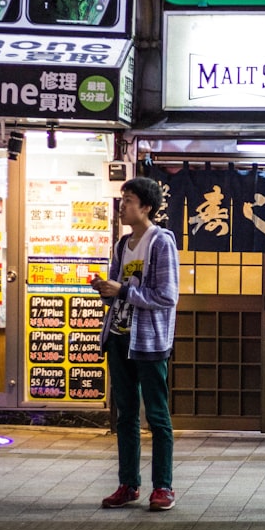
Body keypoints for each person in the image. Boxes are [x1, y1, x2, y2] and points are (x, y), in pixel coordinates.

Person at [92, 177, 180, 511]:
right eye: (121, 199)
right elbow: (118, 290)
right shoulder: (122, 244)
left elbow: (167, 296)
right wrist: (106, 290)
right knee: (125, 414)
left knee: (156, 415)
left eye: (128, 200)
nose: (121, 206)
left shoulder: (160, 243)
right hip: (118, 337)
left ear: (146, 207)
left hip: (149, 341)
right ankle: (128, 484)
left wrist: (123, 291)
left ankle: (164, 487)